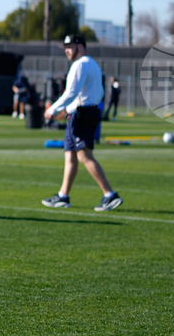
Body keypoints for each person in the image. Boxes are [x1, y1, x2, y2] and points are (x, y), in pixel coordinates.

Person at [41, 35, 122, 212]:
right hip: (83, 111)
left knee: (84, 156)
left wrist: (53, 109)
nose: (66, 51)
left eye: (70, 47)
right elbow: (97, 93)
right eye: (65, 47)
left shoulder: (80, 64)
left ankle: (110, 195)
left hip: (83, 114)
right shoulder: (91, 63)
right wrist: (70, 109)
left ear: (80, 46)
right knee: (70, 155)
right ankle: (63, 196)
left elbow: (71, 92)